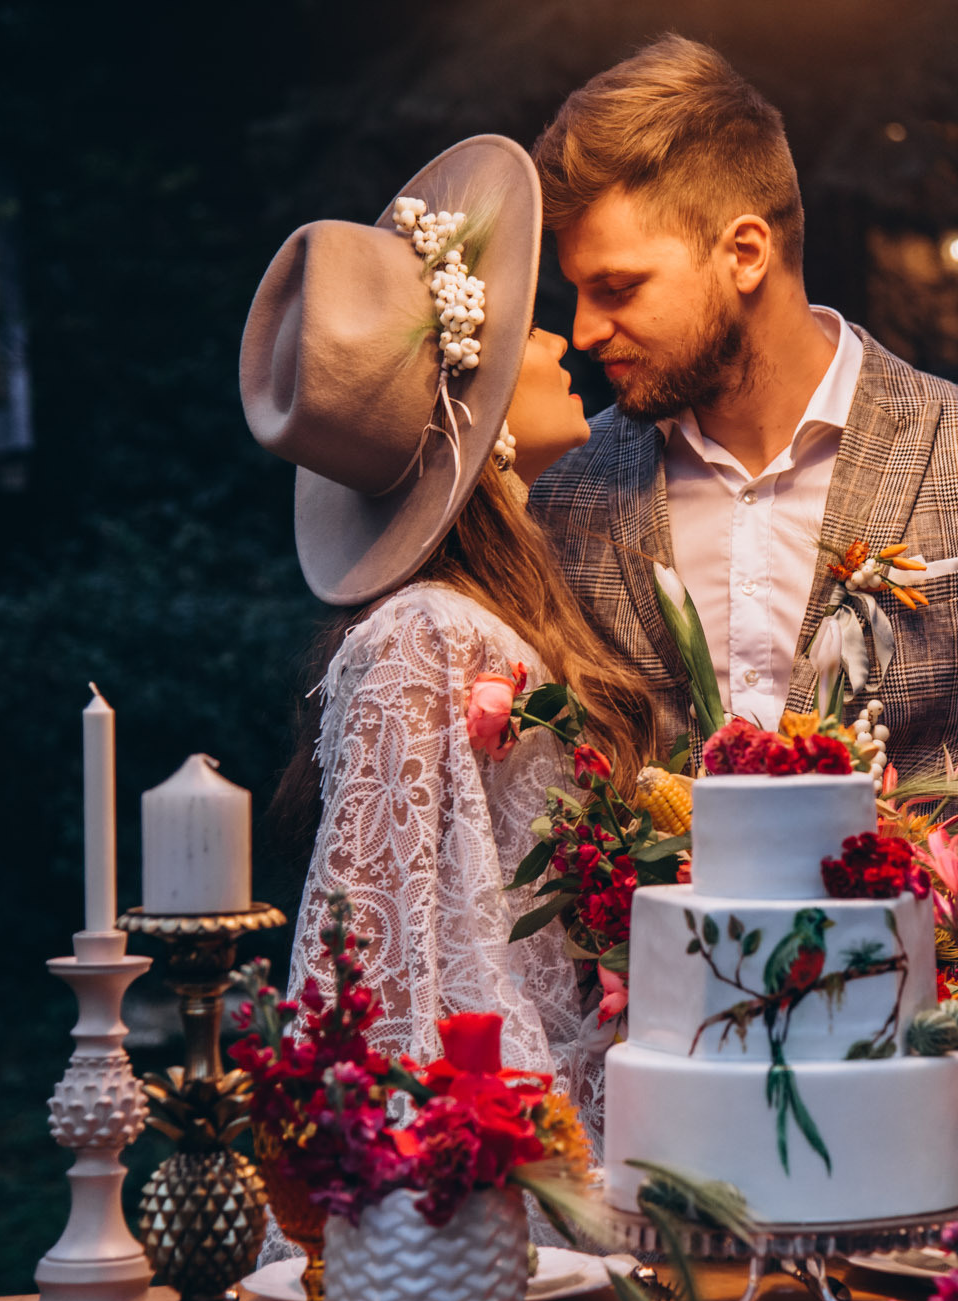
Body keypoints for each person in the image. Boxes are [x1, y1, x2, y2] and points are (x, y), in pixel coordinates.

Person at [525, 36, 958, 1195]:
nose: (585, 329)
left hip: (934, 1155)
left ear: (742, 251)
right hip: (662, 1160)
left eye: (617, 287)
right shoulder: (565, 502)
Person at [240, 134, 655, 1142]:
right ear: (473, 404)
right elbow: (371, 970)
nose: (561, 344)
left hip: (571, 1139)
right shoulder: (417, 635)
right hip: (486, 1167)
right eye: (522, 335)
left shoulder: (499, 611)